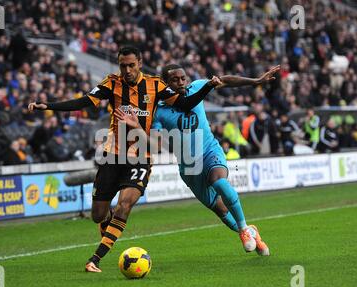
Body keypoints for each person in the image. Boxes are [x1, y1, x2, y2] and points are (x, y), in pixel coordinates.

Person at [27, 46, 223, 272]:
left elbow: (185, 103)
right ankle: (108, 231)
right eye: (123, 66)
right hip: (112, 156)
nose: (127, 70)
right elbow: (83, 101)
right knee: (98, 215)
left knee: (124, 205)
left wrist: (208, 86)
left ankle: (95, 259)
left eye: (131, 65)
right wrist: (48, 106)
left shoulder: (155, 85)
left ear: (139, 62)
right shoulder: (111, 83)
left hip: (141, 156)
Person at [116, 64, 280, 255]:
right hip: (189, 167)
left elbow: (225, 80)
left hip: (210, 151)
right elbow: (155, 144)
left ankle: (244, 229)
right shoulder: (158, 111)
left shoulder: (196, 87)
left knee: (218, 181)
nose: (181, 82)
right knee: (221, 211)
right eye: (175, 80)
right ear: (165, 84)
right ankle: (252, 233)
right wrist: (137, 127)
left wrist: (256, 80)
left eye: (183, 78)